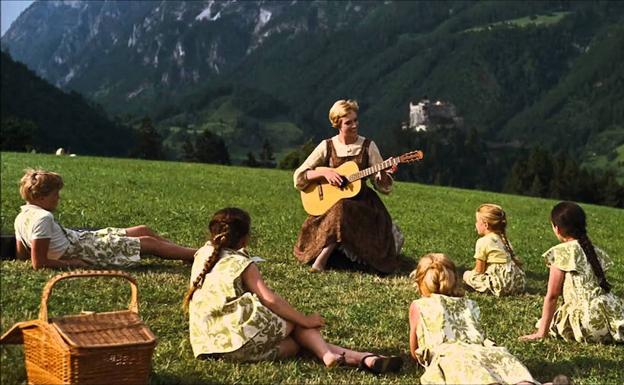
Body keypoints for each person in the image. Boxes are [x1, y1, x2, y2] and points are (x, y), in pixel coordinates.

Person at [184, 207, 402, 373]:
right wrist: (305, 319)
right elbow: (270, 300)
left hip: (210, 346)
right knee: (292, 321)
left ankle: (359, 358)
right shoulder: (243, 264)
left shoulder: (203, 254)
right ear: (244, 239)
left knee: (293, 345)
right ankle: (340, 355)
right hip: (239, 338)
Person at [292, 99, 402, 273]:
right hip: (331, 204)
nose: (354, 125)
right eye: (348, 122)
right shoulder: (327, 146)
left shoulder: (368, 146)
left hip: (363, 205)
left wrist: (382, 175)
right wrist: (324, 173)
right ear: (338, 124)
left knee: (343, 207)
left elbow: (383, 186)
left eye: (356, 120)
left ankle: (323, 259)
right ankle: (328, 254)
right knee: (340, 206)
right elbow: (299, 177)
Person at [14, 169, 197, 269]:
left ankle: (182, 253)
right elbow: (39, 263)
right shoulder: (43, 218)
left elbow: (22, 252)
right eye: (55, 194)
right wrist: (72, 263)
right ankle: (198, 255)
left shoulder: (22, 215)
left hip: (79, 239)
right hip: (82, 250)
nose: (58, 198)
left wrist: (23, 261)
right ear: (41, 197)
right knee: (148, 242)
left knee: (143, 230)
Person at [409, 253, 539, 385]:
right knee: (515, 376)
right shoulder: (470, 304)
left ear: (420, 281)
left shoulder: (419, 305)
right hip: (485, 351)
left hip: (453, 358)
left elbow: (415, 351)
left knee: (478, 378)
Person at [520, 201, 624, 343]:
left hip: (587, 322)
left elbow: (552, 295)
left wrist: (541, 332)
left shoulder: (561, 252)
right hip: (610, 314)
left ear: (557, 228)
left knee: (548, 323)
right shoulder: (594, 250)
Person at [463, 203, 526, 296]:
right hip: (517, 284)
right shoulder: (504, 239)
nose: (475, 224)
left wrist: (469, 275)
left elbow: (479, 270)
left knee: (467, 275)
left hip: (501, 284)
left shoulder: (483, 242)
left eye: (477, 221)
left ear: (485, 224)